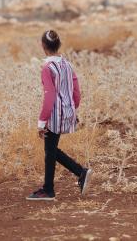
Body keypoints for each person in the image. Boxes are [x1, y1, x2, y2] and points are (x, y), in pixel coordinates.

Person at [27, 30, 92, 200]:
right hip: (68, 112)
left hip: (54, 115)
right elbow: (76, 92)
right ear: (59, 45)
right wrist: (72, 110)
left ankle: (78, 173)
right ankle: (50, 187)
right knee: (51, 150)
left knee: (50, 150)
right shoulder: (67, 65)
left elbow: (49, 97)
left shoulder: (48, 68)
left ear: (43, 46)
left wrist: (41, 122)